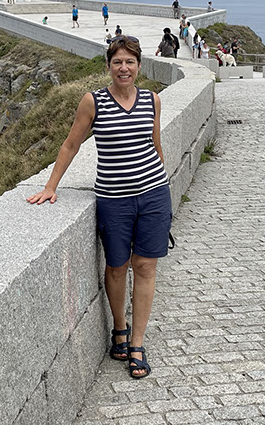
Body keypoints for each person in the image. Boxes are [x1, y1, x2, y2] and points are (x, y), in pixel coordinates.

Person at [27, 36, 173, 380]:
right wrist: (50, 186)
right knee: (117, 267)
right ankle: (119, 329)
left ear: (139, 66)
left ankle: (137, 343)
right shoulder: (93, 101)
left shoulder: (152, 100)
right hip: (114, 199)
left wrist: (160, 184)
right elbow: (71, 144)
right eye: (117, 62)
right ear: (108, 66)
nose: (124, 68)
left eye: (130, 62)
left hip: (153, 194)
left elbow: (155, 145)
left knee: (146, 266)